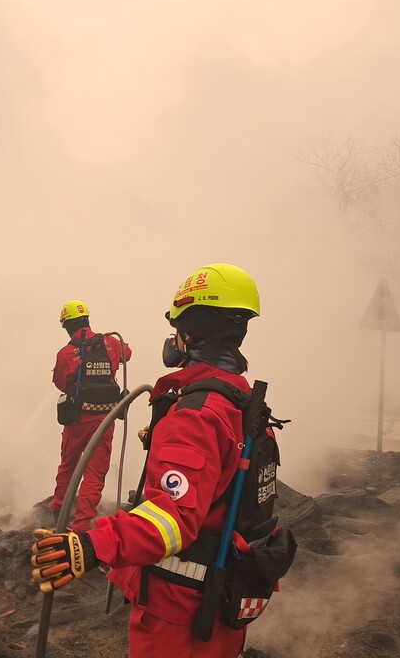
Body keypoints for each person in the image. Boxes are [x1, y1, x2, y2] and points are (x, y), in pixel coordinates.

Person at [33, 264, 279, 658]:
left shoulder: (196, 415)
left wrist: (92, 544)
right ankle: (76, 514)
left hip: (178, 615)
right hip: (223, 603)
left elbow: (173, 518)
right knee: (96, 470)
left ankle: (66, 512)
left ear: (190, 333)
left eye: (177, 327)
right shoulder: (242, 400)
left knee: (71, 468)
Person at [49, 299, 132, 533]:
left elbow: (61, 383)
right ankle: (82, 525)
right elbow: (128, 354)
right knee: (95, 473)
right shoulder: (112, 342)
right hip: (106, 419)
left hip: (77, 419)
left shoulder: (66, 353)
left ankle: (59, 511)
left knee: (68, 465)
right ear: (87, 319)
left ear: (66, 326)